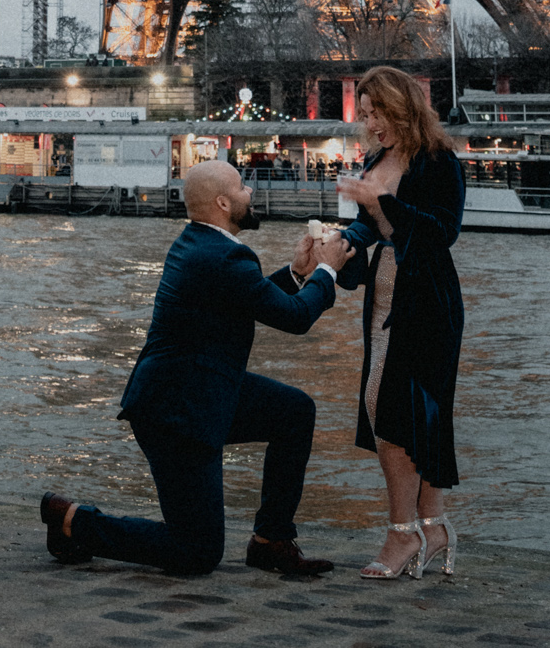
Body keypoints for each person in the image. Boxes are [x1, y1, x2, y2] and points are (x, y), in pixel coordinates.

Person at [39, 159, 352, 577]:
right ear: (223, 202)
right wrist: (328, 269)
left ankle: (271, 541)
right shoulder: (223, 257)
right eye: (243, 188)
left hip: (202, 389)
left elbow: (253, 298)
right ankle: (72, 520)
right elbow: (295, 319)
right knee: (197, 551)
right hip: (175, 412)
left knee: (293, 412)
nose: (250, 194)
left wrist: (299, 272)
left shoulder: (205, 245)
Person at [333, 66, 466, 580]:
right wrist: (341, 245)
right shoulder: (378, 159)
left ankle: (401, 533)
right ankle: (432, 525)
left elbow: (442, 233)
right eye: (364, 113)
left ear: (402, 106)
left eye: (376, 112)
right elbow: (369, 229)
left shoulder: (439, 162)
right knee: (409, 413)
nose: (369, 123)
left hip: (427, 301)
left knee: (394, 411)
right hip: (385, 297)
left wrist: (381, 202)